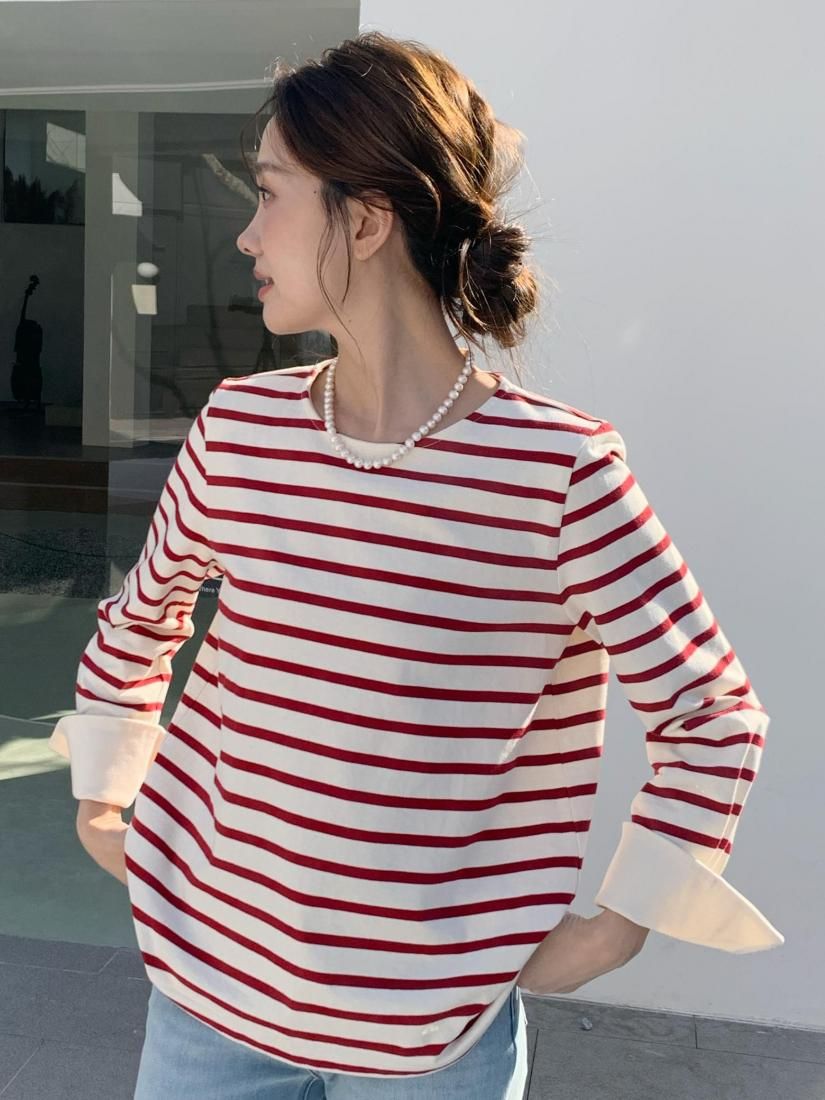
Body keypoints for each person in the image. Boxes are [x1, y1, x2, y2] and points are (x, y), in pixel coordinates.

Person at [49, 29, 784, 1099]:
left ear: (366, 217)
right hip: (207, 994)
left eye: (270, 193)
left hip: (428, 1036)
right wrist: (104, 800)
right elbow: (141, 615)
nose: (247, 233)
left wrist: (617, 927)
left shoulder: (556, 471)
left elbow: (709, 713)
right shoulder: (239, 429)